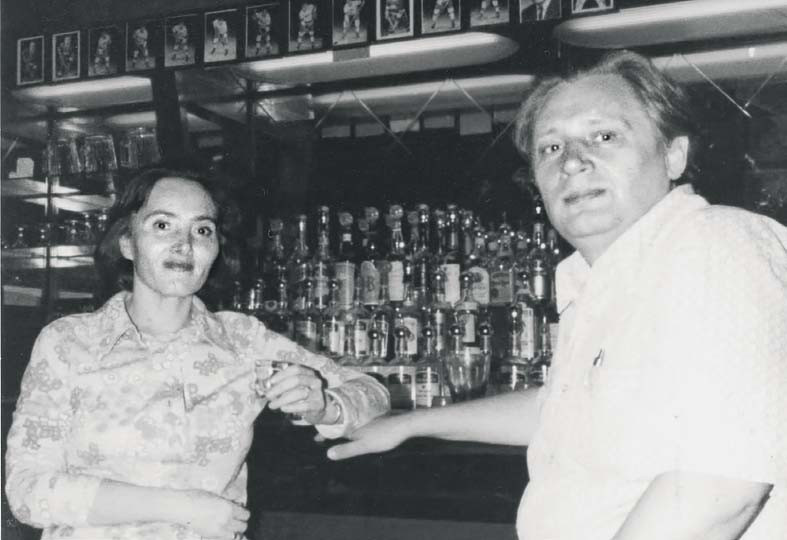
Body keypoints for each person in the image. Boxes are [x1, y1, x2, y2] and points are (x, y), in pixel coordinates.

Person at [328, 50, 787, 540]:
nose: (572, 162)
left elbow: (721, 485)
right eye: (551, 147)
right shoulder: (601, 279)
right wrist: (410, 424)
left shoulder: (717, 243)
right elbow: (562, 410)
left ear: (673, 155)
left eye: (604, 136)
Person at [5, 168, 390, 540]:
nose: (184, 244)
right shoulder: (68, 342)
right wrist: (181, 508)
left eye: (202, 230)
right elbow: (26, 490)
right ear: (126, 242)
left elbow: (374, 393)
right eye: (162, 225)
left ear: (216, 249)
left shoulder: (242, 340)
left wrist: (324, 406)